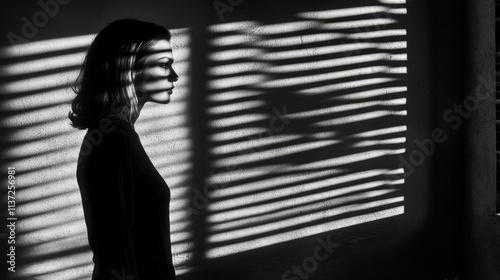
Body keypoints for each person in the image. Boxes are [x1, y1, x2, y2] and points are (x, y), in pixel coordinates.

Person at [68, 18, 179, 280]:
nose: (174, 76)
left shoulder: (119, 135)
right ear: (129, 70)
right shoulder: (112, 140)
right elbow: (114, 254)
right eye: (164, 65)